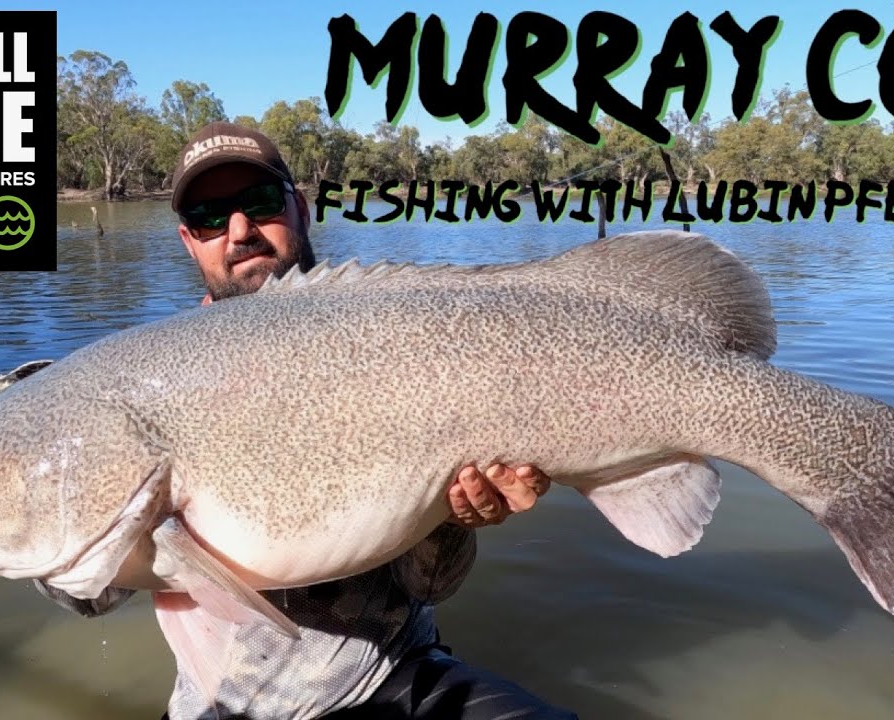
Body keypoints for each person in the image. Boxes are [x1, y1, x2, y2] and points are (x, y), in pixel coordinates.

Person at [37, 122, 578, 720]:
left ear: (300, 208)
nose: (240, 231)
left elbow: (434, 585)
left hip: (391, 679)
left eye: (261, 204)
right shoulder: (144, 382)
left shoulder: (391, 338)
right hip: (218, 706)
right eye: (212, 216)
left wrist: (455, 517)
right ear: (190, 239)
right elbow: (89, 598)